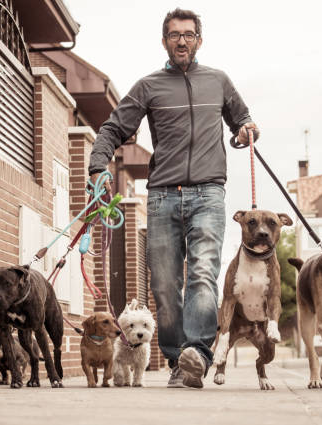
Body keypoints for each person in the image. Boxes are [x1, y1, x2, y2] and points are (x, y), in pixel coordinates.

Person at [88, 8, 259, 389]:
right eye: (174, 35)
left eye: (189, 34)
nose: (182, 40)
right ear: (164, 41)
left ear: (199, 39)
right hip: (163, 196)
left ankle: (196, 353)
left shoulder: (219, 81)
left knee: (202, 273)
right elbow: (114, 128)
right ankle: (176, 359)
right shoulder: (149, 86)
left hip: (209, 193)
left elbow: (242, 119)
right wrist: (98, 166)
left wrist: (246, 130)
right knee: (165, 285)